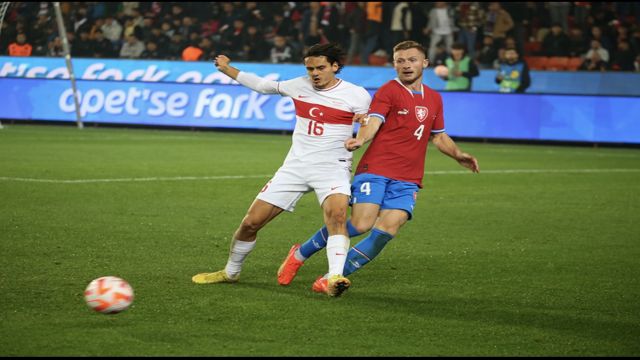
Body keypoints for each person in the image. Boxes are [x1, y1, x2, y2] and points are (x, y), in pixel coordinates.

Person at [277, 40, 480, 293]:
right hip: (376, 169)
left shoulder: (435, 99)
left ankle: (330, 278)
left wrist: (457, 154)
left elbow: (438, 135)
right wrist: (361, 138)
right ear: (394, 64)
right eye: (400, 61)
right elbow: (374, 120)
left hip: (408, 177)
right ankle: (300, 253)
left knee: (388, 230)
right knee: (361, 224)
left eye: (412, 60)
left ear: (425, 63)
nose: (406, 65)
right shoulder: (388, 91)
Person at [192, 43, 372, 298]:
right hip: (295, 167)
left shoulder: (356, 94)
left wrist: (360, 139)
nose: (314, 73)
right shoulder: (299, 85)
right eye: (310, 69)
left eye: (320, 68)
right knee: (250, 223)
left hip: (333, 167)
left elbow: (366, 123)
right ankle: (231, 272)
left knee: (337, 217)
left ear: (335, 66)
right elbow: (264, 86)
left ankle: (334, 277)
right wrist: (227, 69)